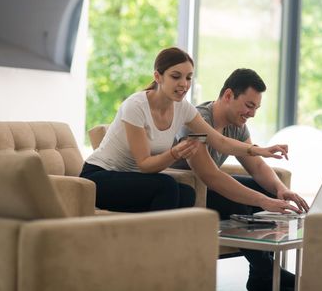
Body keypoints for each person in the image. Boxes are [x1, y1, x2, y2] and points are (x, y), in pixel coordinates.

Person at [80, 47, 300, 216]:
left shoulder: (182, 107)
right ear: (158, 77)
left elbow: (219, 142)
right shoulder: (136, 106)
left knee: (186, 194)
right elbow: (145, 165)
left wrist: (259, 150)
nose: (184, 84)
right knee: (167, 187)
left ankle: (163, 246)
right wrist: (175, 153)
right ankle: (158, 253)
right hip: (99, 178)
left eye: (188, 77)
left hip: (132, 180)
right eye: (176, 77)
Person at [174, 68, 310, 291]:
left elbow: (255, 164)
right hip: (190, 189)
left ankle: (259, 277)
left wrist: (280, 189)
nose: (252, 113)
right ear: (228, 95)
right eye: (249, 105)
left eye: (256, 108)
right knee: (237, 202)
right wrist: (261, 201)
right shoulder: (197, 120)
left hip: (209, 186)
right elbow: (210, 175)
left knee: (266, 190)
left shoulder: (236, 126)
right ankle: (267, 270)